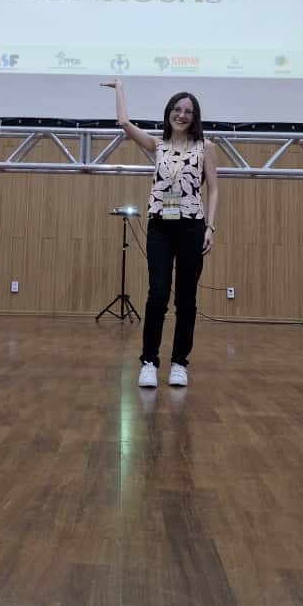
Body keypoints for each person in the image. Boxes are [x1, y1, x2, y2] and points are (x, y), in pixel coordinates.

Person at [101, 79, 218, 388]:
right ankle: (149, 362)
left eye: (188, 111)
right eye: (177, 109)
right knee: (158, 292)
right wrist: (120, 88)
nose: (182, 115)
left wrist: (210, 227)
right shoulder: (158, 145)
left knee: (186, 298)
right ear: (168, 112)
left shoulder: (206, 147)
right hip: (160, 226)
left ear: (195, 117)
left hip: (192, 225)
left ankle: (179, 363)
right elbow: (124, 123)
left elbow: (214, 189)